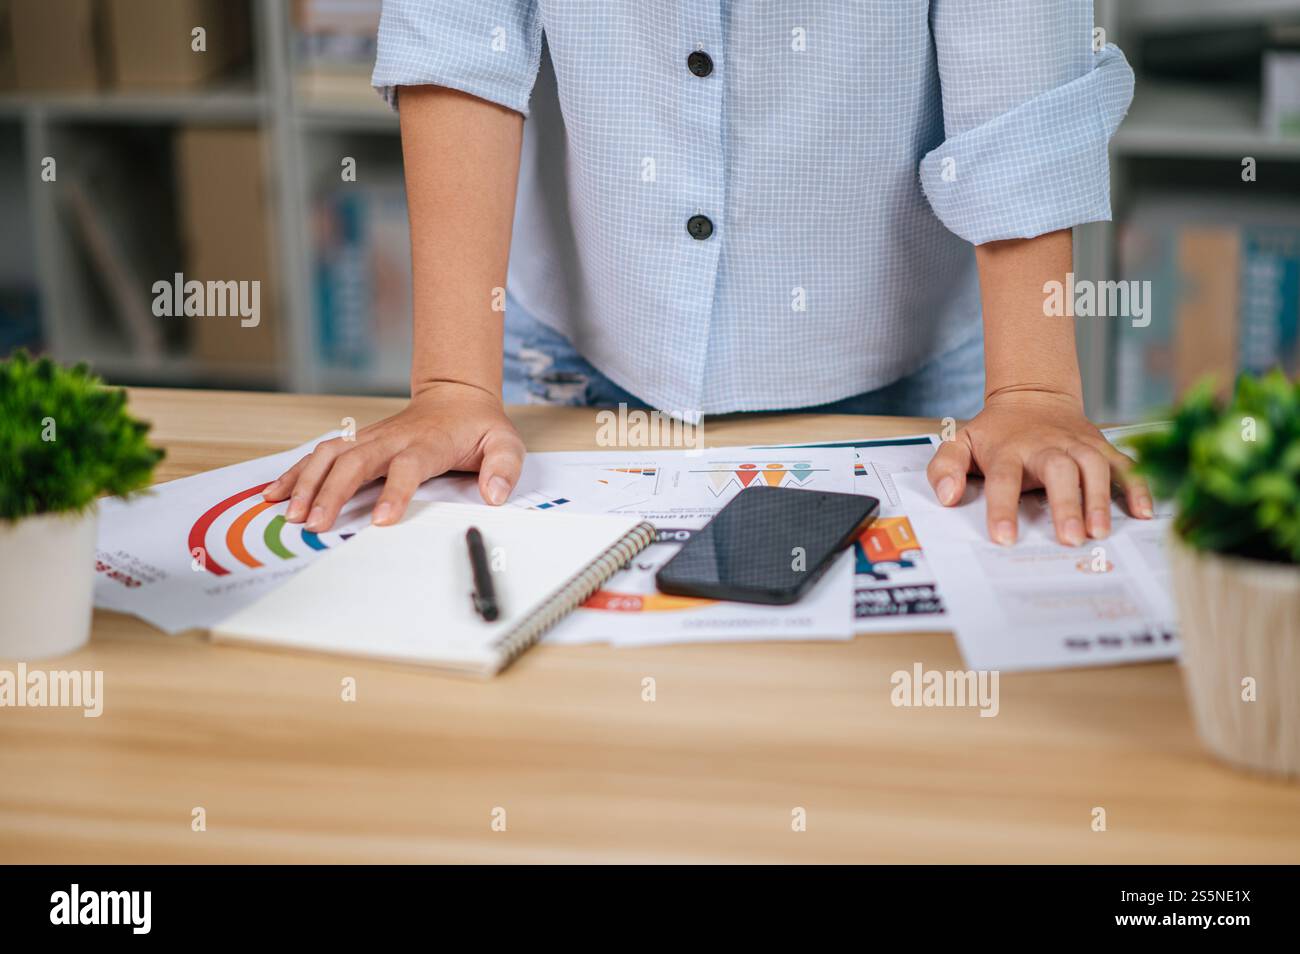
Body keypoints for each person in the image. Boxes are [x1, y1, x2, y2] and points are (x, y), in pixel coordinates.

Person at [266, 0, 1154, 546]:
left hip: (917, 357)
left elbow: (1015, 53)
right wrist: (453, 382)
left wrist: (1035, 389)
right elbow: (461, 26)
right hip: (581, 339)